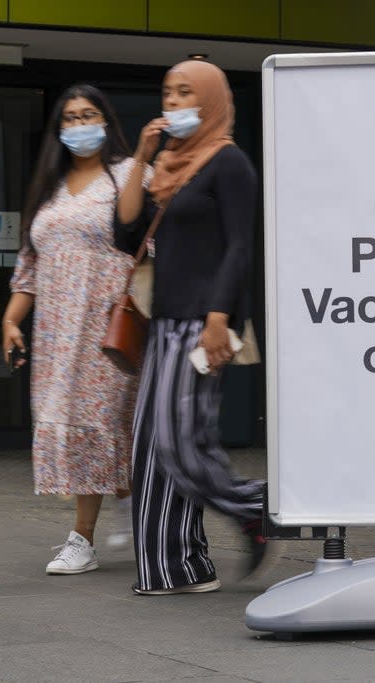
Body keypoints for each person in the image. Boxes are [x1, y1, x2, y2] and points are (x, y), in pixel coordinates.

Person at [116, 59, 271, 595]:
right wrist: (140, 157)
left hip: (204, 324)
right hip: (164, 322)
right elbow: (125, 227)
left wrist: (218, 318)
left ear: (210, 101)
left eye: (186, 94)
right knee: (147, 446)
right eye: (169, 93)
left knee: (181, 441)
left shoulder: (230, 164)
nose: (175, 103)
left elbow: (239, 248)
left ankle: (259, 508)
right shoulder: (168, 165)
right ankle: (173, 568)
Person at [2, 84, 151, 575]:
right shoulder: (50, 187)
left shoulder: (131, 174)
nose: (79, 125)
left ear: (106, 121)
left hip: (106, 322)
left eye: (88, 115)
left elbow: (150, 241)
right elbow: (30, 265)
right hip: (56, 330)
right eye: (69, 118)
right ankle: (127, 508)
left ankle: (81, 538)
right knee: (74, 421)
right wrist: (10, 319)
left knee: (105, 420)